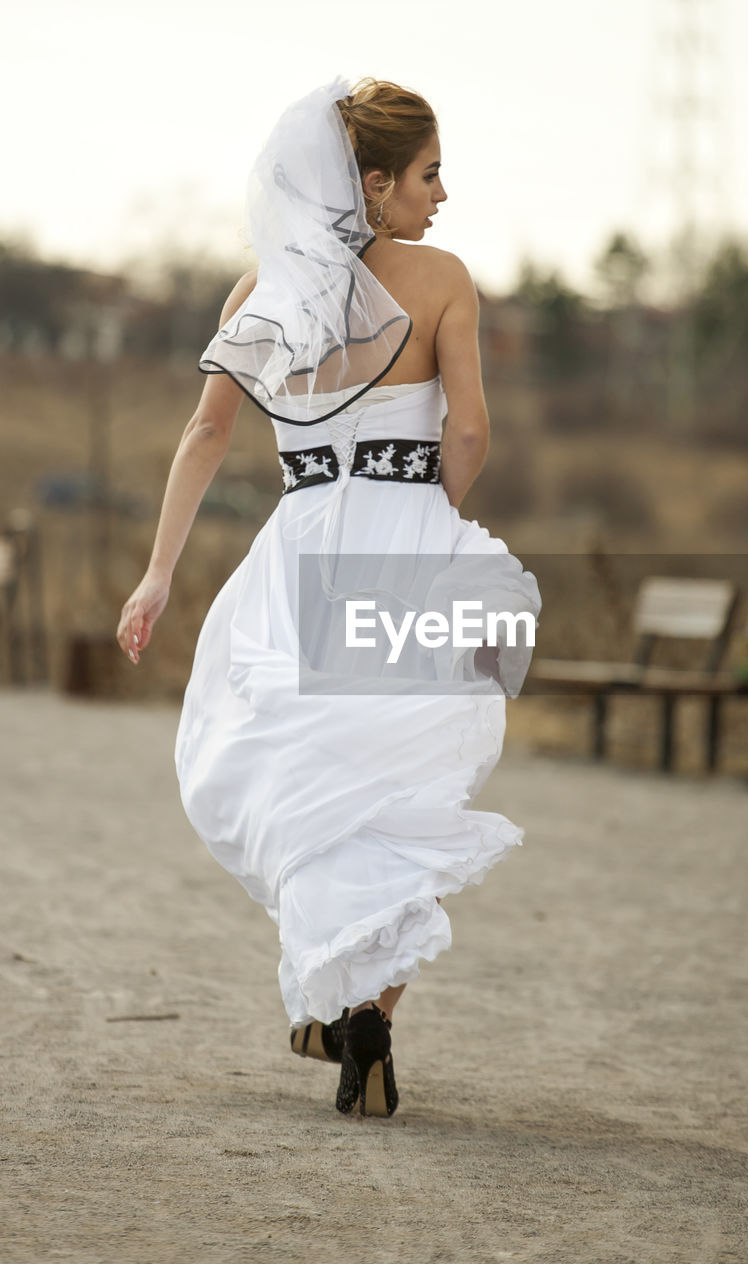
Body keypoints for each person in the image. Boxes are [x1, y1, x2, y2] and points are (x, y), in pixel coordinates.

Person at [116, 77, 540, 1119]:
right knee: (408, 789)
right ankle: (369, 1017)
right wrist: (429, 521)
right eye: (429, 173)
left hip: (298, 549)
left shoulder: (259, 290)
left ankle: (338, 1004)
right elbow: (472, 432)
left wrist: (159, 571)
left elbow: (205, 433)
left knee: (312, 791)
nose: (443, 194)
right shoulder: (441, 281)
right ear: (374, 181)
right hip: (406, 538)